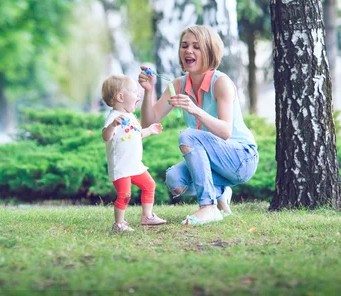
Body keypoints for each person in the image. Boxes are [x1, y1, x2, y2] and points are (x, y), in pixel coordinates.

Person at [138, 25, 258, 225]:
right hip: (214, 160)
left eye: (196, 47)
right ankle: (219, 193)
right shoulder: (177, 85)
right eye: (184, 46)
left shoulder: (221, 83)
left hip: (242, 157)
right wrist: (148, 91)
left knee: (188, 135)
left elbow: (225, 132)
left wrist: (195, 110)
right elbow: (149, 123)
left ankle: (208, 206)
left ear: (209, 51)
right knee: (174, 180)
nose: (188, 51)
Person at [101, 75, 167, 232]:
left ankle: (147, 216)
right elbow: (106, 136)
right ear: (121, 97)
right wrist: (112, 126)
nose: (139, 95)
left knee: (149, 185)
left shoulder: (131, 117)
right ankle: (119, 224)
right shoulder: (114, 117)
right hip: (121, 166)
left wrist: (149, 130)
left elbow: (137, 134)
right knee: (125, 194)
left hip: (135, 165)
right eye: (135, 92)